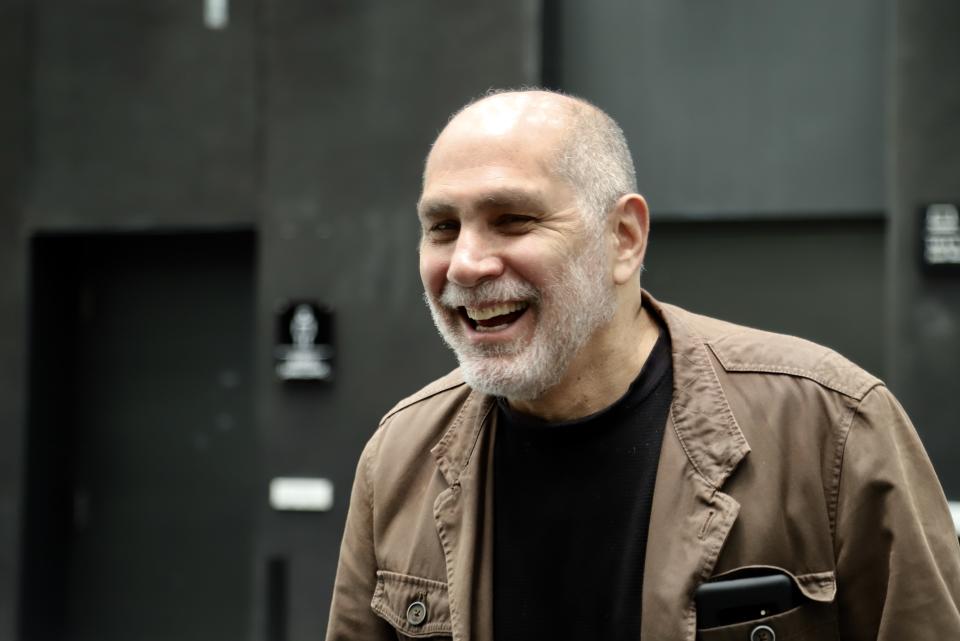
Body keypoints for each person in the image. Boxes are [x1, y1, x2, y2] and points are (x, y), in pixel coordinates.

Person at [325, 89, 960, 640]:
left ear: (624, 238)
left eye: (512, 220)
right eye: (441, 227)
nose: (464, 264)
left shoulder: (831, 427)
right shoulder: (399, 458)